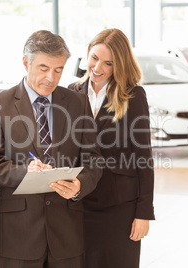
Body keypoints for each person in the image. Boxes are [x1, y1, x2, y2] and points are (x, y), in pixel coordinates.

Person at [0, 30, 103, 268]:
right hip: (18, 234)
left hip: (67, 233)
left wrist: (79, 185)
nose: (51, 78)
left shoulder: (78, 103)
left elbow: (94, 160)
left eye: (58, 70)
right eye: (43, 68)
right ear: (26, 62)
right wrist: (26, 172)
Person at [68, 28, 155, 268]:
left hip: (119, 207)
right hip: (79, 203)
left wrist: (143, 212)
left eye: (108, 63)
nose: (97, 68)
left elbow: (143, 157)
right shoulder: (71, 92)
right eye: (94, 58)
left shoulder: (133, 96)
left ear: (120, 64)